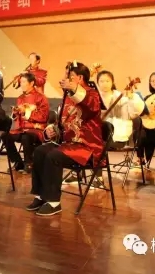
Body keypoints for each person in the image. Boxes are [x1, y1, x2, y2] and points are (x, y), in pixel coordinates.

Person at [26, 61, 102, 216]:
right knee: (40, 151)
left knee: (53, 156)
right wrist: (52, 131)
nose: (64, 78)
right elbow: (62, 125)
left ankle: (54, 202)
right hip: (68, 144)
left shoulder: (92, 94)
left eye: (69, 75)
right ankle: (41, 195)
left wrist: (74, 89)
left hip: (87, 147)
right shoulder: (67, 96)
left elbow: (92, 106)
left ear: (80, 78)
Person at [2, 72, 50, 174]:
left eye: (24, 82)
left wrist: (26, 113)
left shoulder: (41, 97)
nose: (21, 84)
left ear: (31, 83)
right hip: (22, 128)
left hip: (36, 129)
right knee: (5, 135)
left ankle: (29, 164)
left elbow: (43, 117)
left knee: (26, 137)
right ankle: (17, 161)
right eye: (21, 82)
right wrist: (15, 113)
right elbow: (18, 118)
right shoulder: (20, 98)